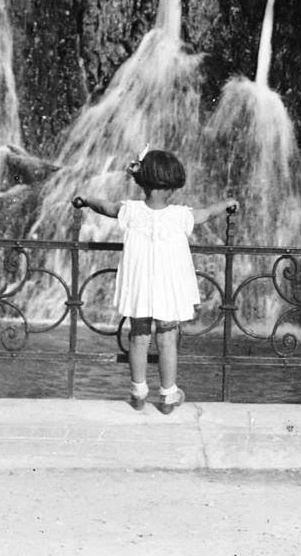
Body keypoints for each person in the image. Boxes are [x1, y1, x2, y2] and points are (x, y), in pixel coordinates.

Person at [74, 149, 236, 414]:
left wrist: (85, 198)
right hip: (167, 290)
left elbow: (105, 207)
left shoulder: (130, 210)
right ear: (172, 186)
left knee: (138, 338)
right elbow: (207, 213)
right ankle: (169, 395)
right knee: (167, 340)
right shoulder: (181, 215)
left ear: (141, 181)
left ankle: (138, 392)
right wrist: (227, 203)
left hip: (140, 288)